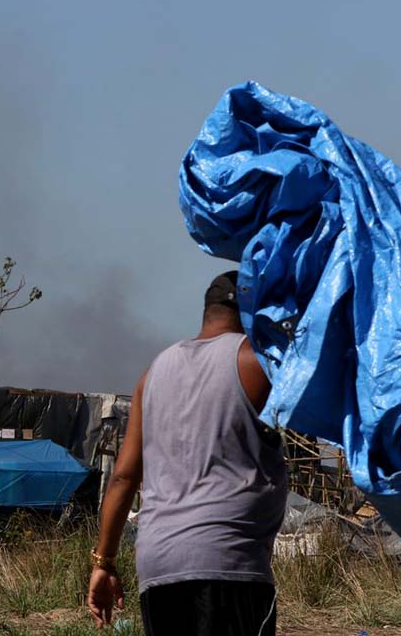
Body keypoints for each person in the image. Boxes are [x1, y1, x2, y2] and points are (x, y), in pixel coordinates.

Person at [87, 271, 288, 635]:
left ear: (207, 312)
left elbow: (123, 476)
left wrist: (104, 561)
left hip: (159, 568)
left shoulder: (153, 373)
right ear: (253, 311)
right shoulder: (255, 363)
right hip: (228, 561)